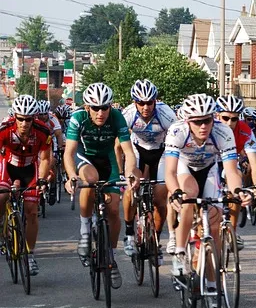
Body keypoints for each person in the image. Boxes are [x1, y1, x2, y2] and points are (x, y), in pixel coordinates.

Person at [164, 94, 251, 282]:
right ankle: (179, 252)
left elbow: (231, 170)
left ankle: (213, 283)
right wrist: (175, 193)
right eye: (197, 122)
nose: (203, 126)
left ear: (213, 118)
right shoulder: (177, 131)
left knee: (214, 222)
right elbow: (169, 171)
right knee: (189, 195)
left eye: (207, 120)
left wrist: (239, 191)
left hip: (209, 168)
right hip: (184, 167)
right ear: (188, 121)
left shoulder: (222, 132)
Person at [64, 83, 141, 289]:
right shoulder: (78, 118)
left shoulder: (116, 117)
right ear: (87, 107)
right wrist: (71, 176)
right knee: (90, 180)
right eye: (95, 108)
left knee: (114, 209)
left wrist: (131, 172)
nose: (100, 112)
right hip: (85, 156)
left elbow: (129, 152)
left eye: (104, 107)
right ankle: (85, 231)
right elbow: (69, 152)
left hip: (108, 160)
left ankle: (110, 255)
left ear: (110, 107)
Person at [120, 79, 177, 264]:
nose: (145, 107)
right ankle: (129, 233)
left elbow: (178, 139)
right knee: (130, 189)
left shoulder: (166, 114)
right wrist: (123, 170)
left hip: (161, 152)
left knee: (160, 199)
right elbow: (118, 144)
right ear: (134, 102)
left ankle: (155, 241)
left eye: (149, 102)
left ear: (155, 101)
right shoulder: (128, 114)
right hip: (137, 152)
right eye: (141, 103)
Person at [0, 95, 51, 275]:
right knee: (2, 194)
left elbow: (45, 159)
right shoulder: (4, 129)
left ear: (34, 118)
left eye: (28, 119)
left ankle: (29, 255)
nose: (24, 123)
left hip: (30, 168)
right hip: (8, 166)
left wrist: (42, 180)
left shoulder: (43, 131)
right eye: (20, 119)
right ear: (15, 117)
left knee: (31, 211)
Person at [215, 95, 256, 249]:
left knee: (235, 190)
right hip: (209, 161)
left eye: (234, 119)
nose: (230, 123)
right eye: (225, 118)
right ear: (217, 115)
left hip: (229, 160)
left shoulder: (245, 131)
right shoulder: (210, 125)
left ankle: (233, 230)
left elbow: (255, 162)